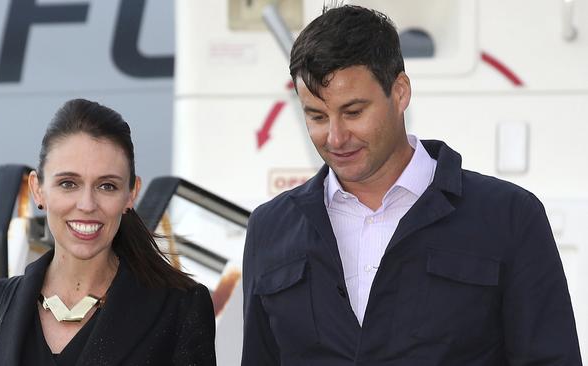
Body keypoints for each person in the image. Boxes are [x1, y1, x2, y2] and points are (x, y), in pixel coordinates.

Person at [241, 5, 582, 365]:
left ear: (400, 92)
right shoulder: (269, 229)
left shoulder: (510, 216)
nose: (336, 137)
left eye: (354, 112)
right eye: (317, 117)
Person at [0, 99, 217, 365]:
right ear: (38, 189)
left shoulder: (180, 309)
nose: (86, 205)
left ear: (131, 194)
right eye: (68, 183)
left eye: (106, 186)